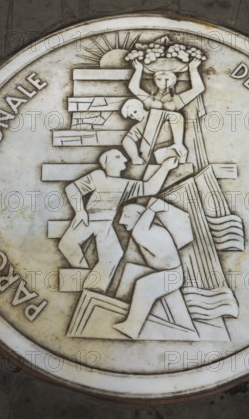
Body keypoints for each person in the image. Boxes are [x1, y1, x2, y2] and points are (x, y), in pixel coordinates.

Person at [58, 149, 178, 293]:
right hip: (89, 219)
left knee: (113, 254)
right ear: (107, 162)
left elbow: (150, 187)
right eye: (118, 156)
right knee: (67, 245)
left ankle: (93, 291)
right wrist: (79, 211)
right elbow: (72, 189)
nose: (125, 159)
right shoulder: (98, 176)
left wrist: (165, 168)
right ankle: (85, 282)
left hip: (106, 224)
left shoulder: (126, 185)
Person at [113, 199, 193, 340]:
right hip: (164, 272)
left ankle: (132, 327)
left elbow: (140, 230)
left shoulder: (146, 232)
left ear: (140, 216)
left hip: (172, 276)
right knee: (131, 270)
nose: (121, 221)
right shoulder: (148, 231)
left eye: (126, 215)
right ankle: (117, 308)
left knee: (144, 286)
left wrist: (152, 209)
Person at [121, 98, 187, 165]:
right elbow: (126, 140)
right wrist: (135, 158)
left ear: (139, 105)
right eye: (131, 115)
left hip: (175, 150)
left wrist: (178, 143)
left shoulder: (157, 113)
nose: (135, 116)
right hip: (156, 156)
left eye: (135, 111)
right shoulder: (137, 127)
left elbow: (176, 117)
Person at [128, 58, 205, 112]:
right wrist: (138, 70)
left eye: (167, 79)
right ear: (154, 80)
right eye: (159, 79)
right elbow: (133, 88)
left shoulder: (177, 100)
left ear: (173, 81)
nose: (163, 82)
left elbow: (198, 88)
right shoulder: (151, 98)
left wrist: (193, 69)